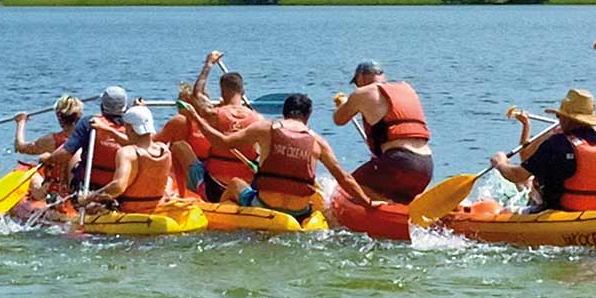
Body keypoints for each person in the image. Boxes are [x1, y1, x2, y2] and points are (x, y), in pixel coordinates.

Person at [179, 93, 370, 221]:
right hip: (300, 212)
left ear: (284, 112)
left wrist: (195, 117)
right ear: (308, 115)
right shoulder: (318, 141)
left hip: (265, 205)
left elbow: (221, 142)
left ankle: (221, 219)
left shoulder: (265, 128)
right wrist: (367, 202)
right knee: (319, 191)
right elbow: (343, 177)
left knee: (236, 184)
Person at [490, 89, 596, 213]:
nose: (559, 120)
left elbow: (518, 176)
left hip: (560, 212)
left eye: (559, 116)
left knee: (505, 211)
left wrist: (500, 164)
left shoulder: (557, 143)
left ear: (566, 119)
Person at [331, 60, 433, 205]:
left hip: (399, 162)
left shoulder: (361, 93)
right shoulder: (407, 89)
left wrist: (343, 104)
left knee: (348, 187)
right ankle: (404, 210)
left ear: (361, 78)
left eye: (356, 82)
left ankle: (387, 209)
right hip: (426, 166)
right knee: (401, 199)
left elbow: (338, 119)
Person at [183, 51, 260, 202]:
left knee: (180, 147)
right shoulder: (258, 120)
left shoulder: (214, 115)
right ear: (242, 91)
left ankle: (188, 196)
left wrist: (208, 64)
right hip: (246, 186)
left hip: (214, 188)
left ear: (222, 92)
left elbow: (197, 94)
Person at [81, 106, 174, 214]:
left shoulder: (127, 153)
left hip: (130, 211)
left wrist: (90, 198)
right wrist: (110, 131)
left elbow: (117, 187)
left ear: (130, 129)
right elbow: (140, 145)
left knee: (88, 207)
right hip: (155, 208)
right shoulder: (164, 150)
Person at [40, 86, 130, 192]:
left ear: (102, 105)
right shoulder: (133, 125)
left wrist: (48, 159)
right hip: (125, 186)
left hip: (91, 186)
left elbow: (64, 154)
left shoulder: (89, 122)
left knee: (75, 157)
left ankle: (65, 193)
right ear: (125, 106)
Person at [13, 95, 83, 201]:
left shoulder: (51, 140)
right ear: (79, 116)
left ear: (59, 117)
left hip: (57, 192)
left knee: (28, 173)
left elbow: (20, 147)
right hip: (80, 190)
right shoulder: (90, 137)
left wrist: (21, 122)